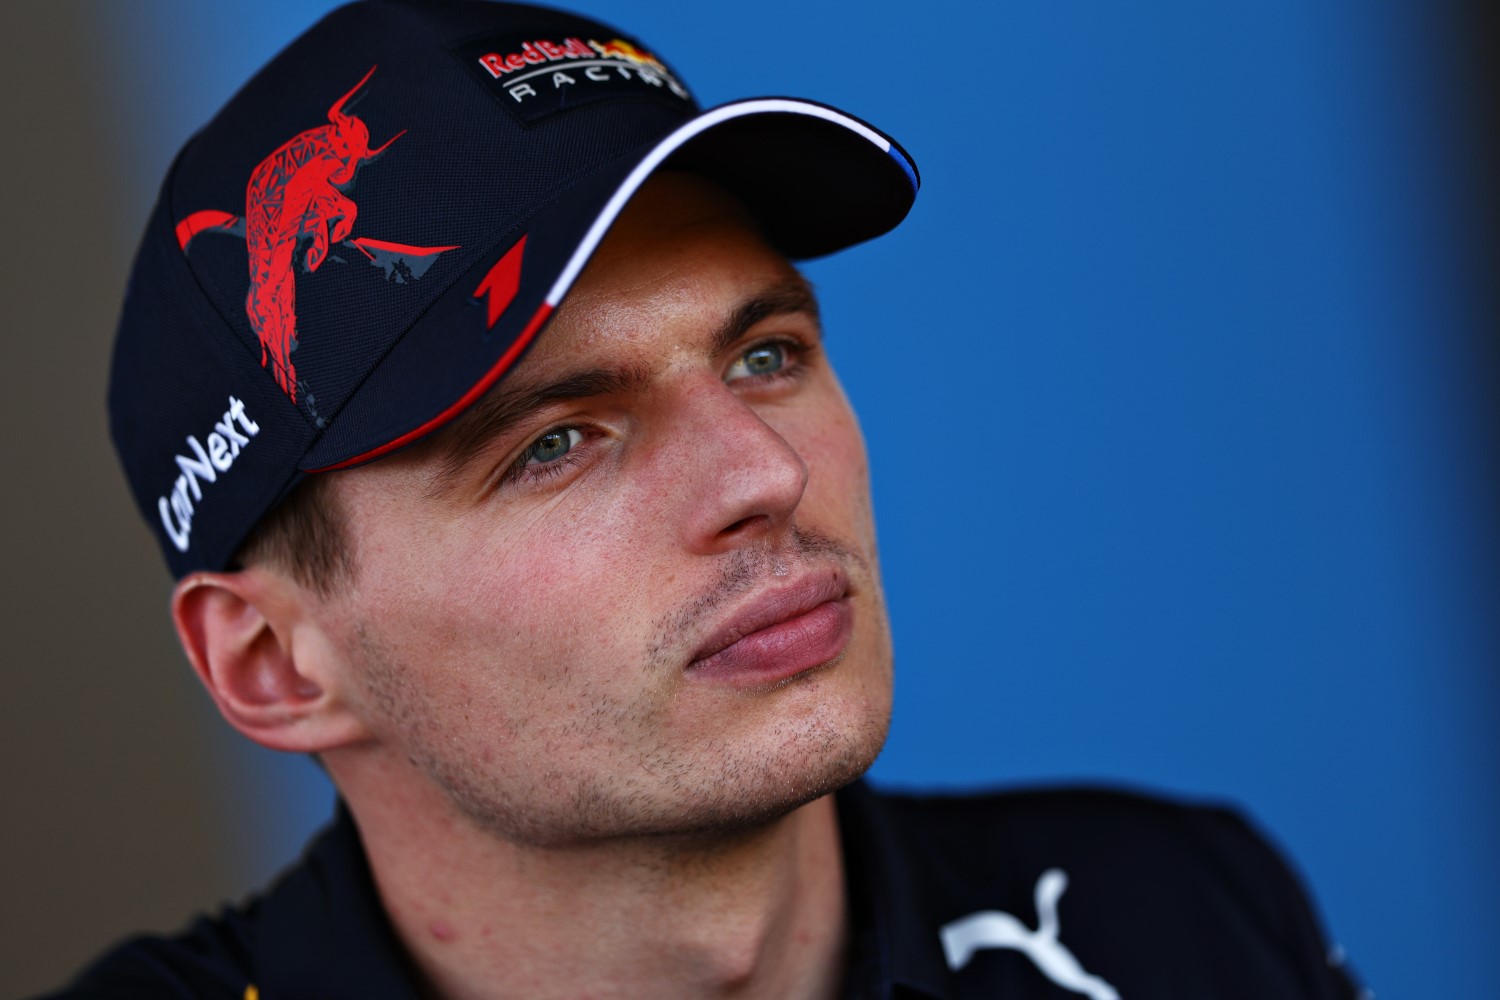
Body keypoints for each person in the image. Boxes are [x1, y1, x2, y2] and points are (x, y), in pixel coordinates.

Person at [48, 1, 1366, 997]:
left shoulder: (1181, 920)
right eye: (557, 442)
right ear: (276, 663)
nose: (766, 475)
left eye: (766, 357)